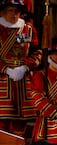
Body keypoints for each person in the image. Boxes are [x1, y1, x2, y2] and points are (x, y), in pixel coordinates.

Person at [0, 0, 42, 136]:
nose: (14, 14)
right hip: (2, 80)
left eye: (16, 11)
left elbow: (37, 52)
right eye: (10, 11)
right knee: (2, 123)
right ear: (3, 12)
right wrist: (5, 69)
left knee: (21, 125)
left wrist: (26, 67)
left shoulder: (28, 29)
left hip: (23, 81)